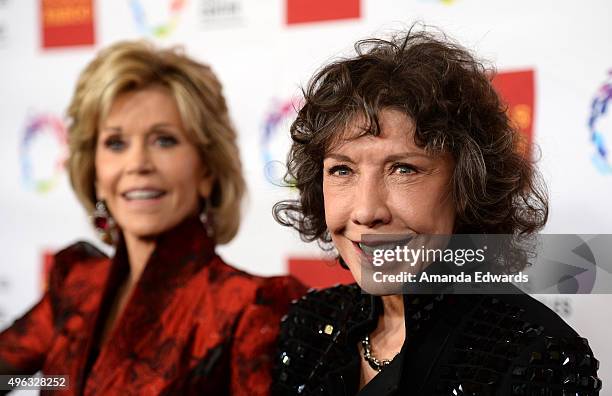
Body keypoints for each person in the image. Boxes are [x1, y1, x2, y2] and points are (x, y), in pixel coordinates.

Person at [272, 28, 602, 395]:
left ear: (467, 184)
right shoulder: (308, 326)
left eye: (403, 169)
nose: (366, 211)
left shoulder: (535, 354)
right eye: (342, 170)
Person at [0, 41, 304, 395]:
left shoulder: (250, 306)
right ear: (95, 173)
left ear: (206, 169)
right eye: (116, 143)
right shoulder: (76, 284)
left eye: (164, 141)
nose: (138, 164)